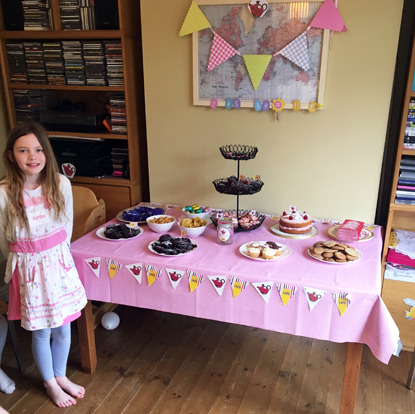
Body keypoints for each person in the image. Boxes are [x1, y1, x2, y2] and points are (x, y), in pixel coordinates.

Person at [0, 122, 88, 408]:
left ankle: (60, 375)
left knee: (64, 327)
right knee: (42, 330)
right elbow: (4, 238)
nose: (32, 156)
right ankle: (49, 382)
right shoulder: (3, 193)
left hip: (58, 264)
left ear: (46, 153)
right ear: (11, 155)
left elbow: (67, 224)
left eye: (38, 150)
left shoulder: (61, 183)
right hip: (28, 270)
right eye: (23, 150)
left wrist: (57, 257)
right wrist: (24, 259)